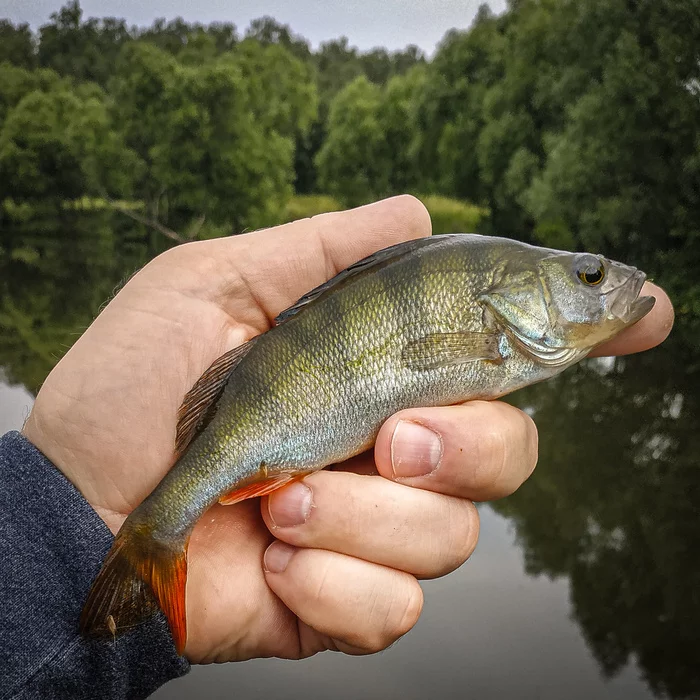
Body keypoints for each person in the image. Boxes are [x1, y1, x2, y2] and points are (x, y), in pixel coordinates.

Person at [0, 196, 674, 698]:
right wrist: (75, 524)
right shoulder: (492, 305)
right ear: (518, 291)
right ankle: (151, 543)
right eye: (589, 276)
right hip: (224, 445)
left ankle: (138, 569)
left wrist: (57, 558)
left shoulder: (506, 318)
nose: (607, 282)